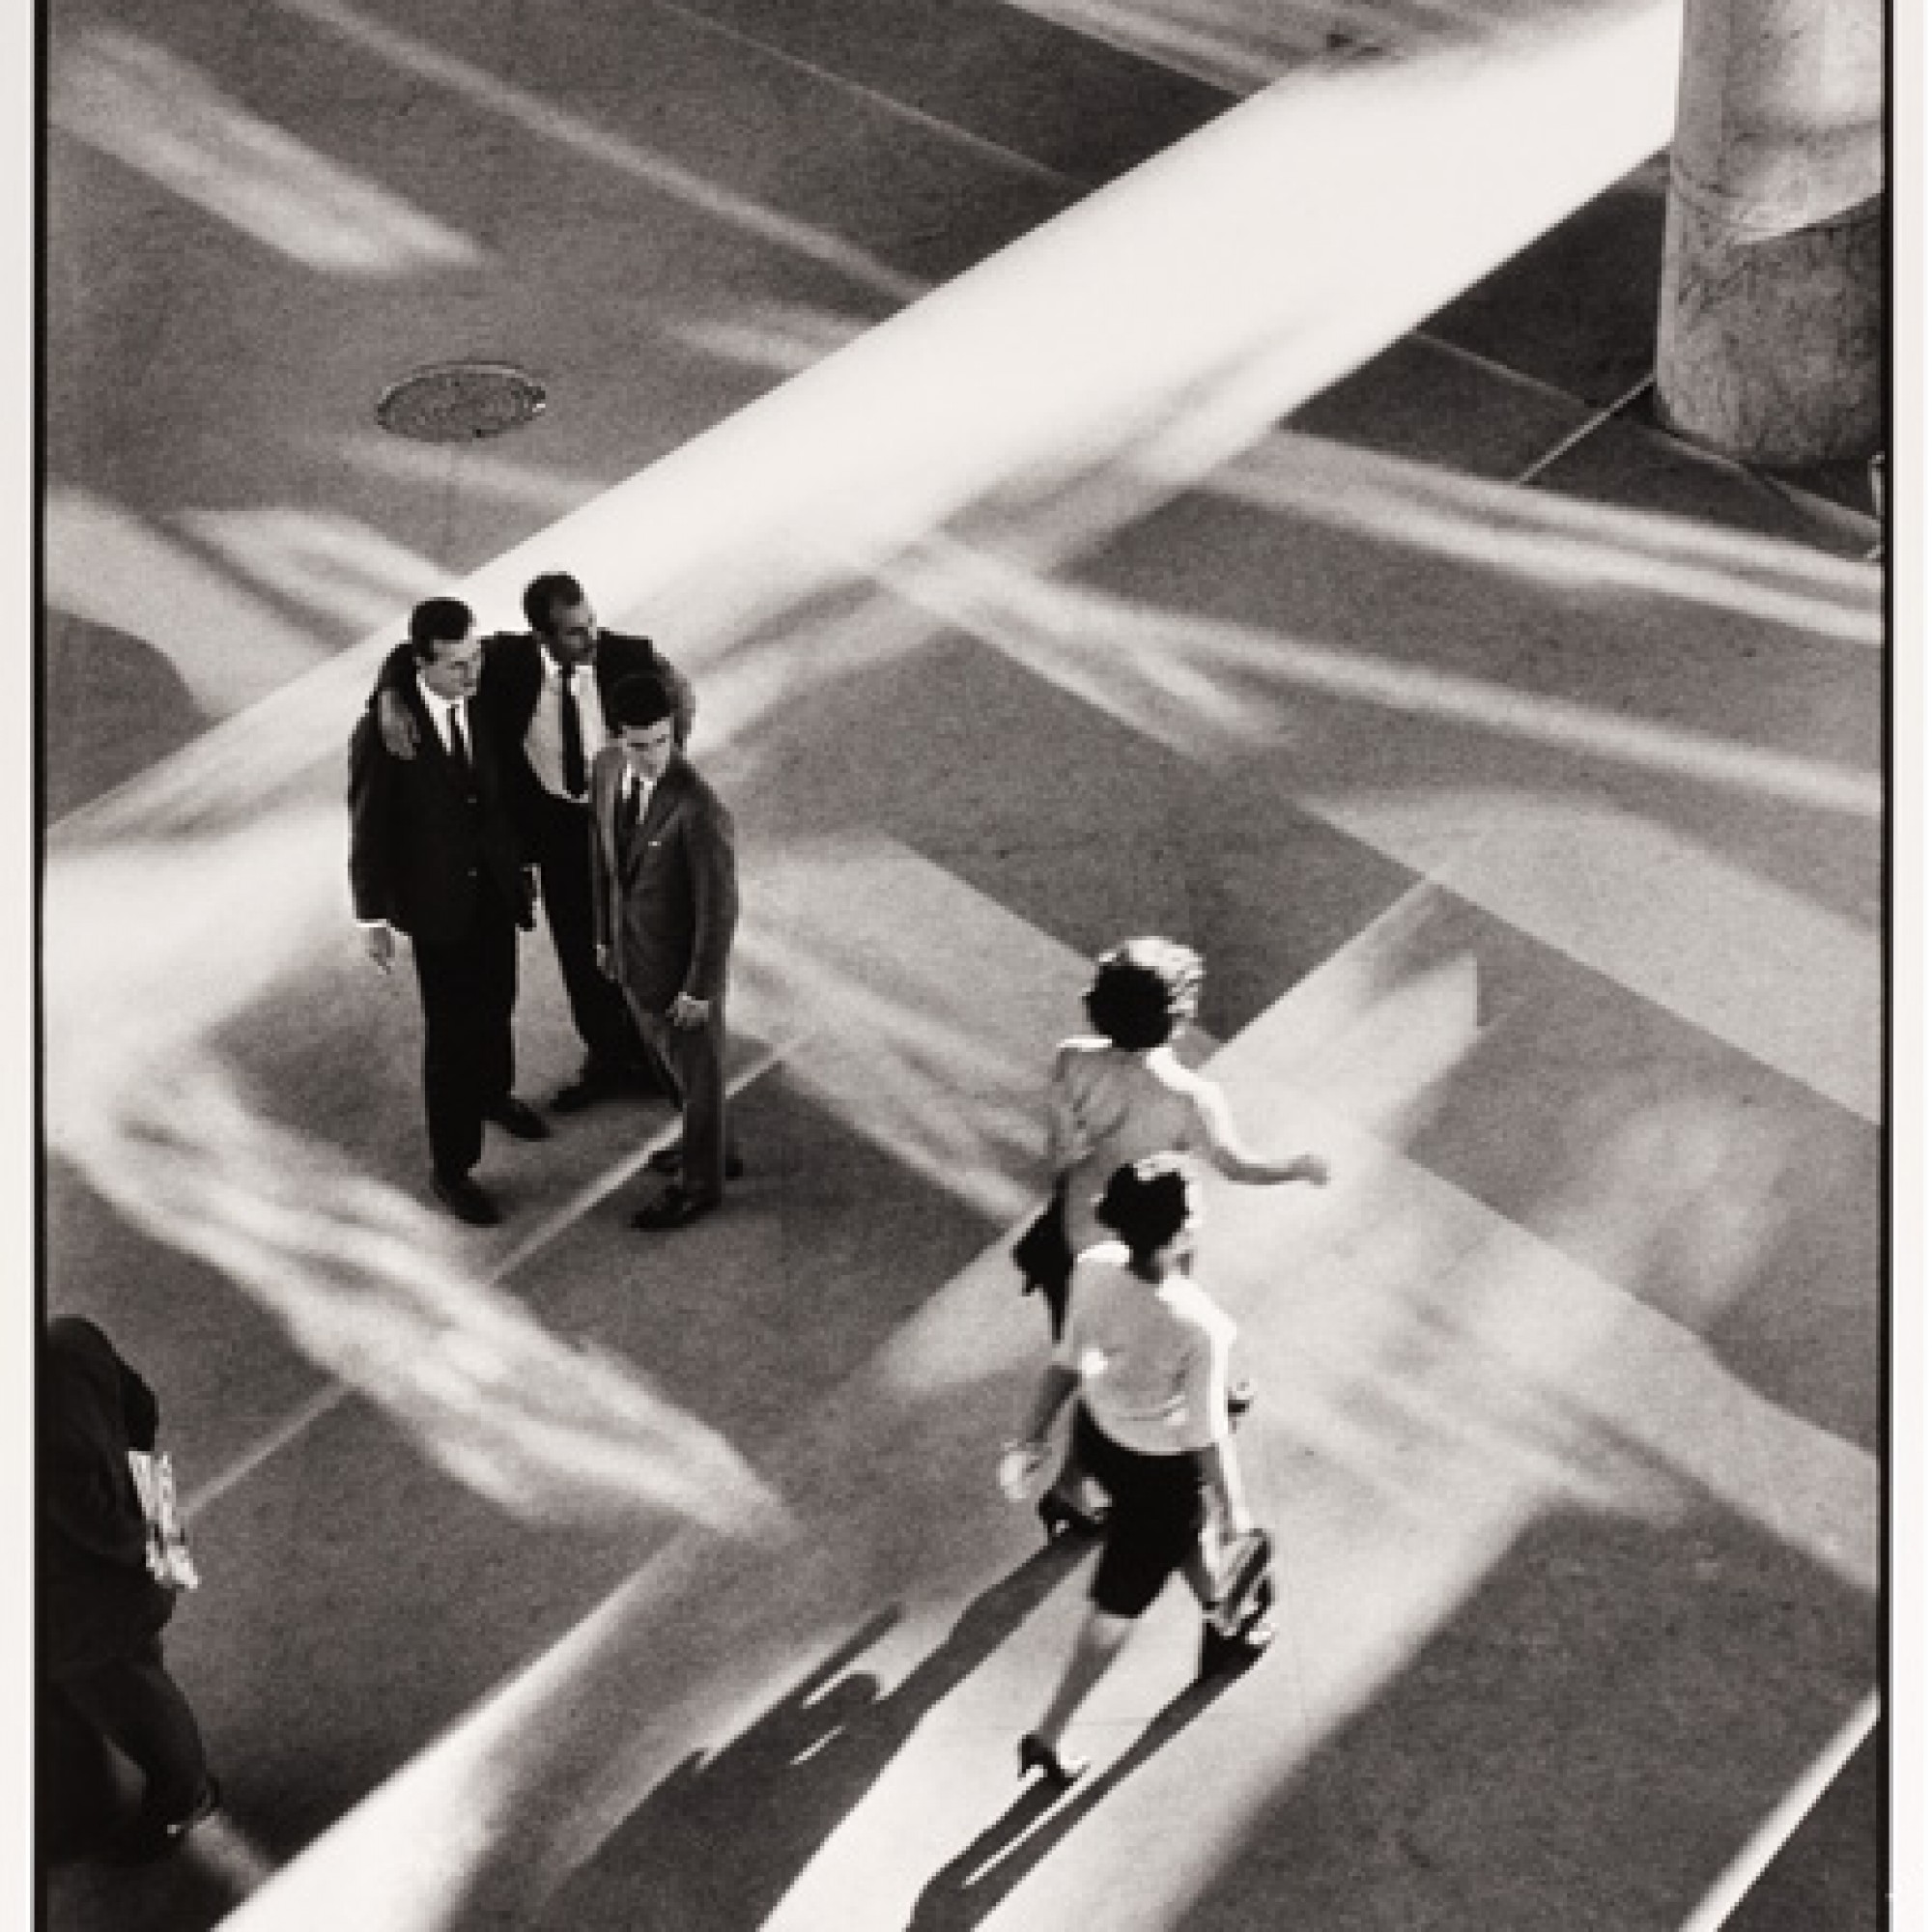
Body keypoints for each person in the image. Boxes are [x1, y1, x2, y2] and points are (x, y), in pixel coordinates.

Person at [1030, 937, 1328, 1529]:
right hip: (1157, 1234)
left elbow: (1061, 1150)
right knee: (1147, 1345)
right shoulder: (1191, 1098)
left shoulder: (1071, 1059)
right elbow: (1238, 1166)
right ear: (1179, 1016)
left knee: (1102, 1345)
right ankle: (1073, 1480)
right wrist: (1297, 1167)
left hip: (1086, 1226)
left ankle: (1092, 1463)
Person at [373, 572, 696, 1113]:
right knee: (580, 951)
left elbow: (680, 701)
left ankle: (672, 1065)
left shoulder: (631, 657)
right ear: (541, 636)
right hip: (559, 830)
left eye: (590, 623)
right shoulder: (505, 662)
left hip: (623, 823)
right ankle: (609, 1059)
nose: (590, 638)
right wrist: (389, 695)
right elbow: (411, 653)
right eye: (573, 632)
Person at [1006, 1158, 1270, 1792]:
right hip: (1159, 1470)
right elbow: (1206, 1430)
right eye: (1197, 1212)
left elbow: (1067, 1364)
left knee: (1181, 1532)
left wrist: (1030, 1438)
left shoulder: (1093, 1268)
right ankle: (1048, 1737)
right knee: (1116, 1611)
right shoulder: (1195, 1324)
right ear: (1178, 1235)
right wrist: (1240, 1513)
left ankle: (1224, 1619)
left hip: (1099, 1438)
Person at [351, 596, 545, 1226]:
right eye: (457, 666)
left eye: (474, 657)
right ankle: (452, 1168)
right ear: (422, 664)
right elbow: (368, 829)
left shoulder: (481, 688)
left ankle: (495, 1094)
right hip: (437, 907)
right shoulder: (385, 733)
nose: (473, 674)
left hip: (493, 886)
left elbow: (535, 642)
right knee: (451, 1035)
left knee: (500, 999)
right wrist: (371, 917)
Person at [43, 1317, 220, 1861]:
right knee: (112, 1685)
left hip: (86, 1611)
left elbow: (100, 1527)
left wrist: (145, 1555)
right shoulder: (71, 1337)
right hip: (127, 1563)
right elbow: (142, 1412)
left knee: (133, 1699)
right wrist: (163, 1533)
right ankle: (80, 1813)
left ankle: (184, 1796)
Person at [591, 671, 741, 1231]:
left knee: (697, 1077)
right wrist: (606, 937)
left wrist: (699, 989)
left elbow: (718, 909)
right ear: (616, 737)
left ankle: (700, 1184)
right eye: (639, 745)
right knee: (674, 1072)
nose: (653, 756)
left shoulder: (698, 809)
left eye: (662, 741)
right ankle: (711, 1147)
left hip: (681, 977)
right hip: (635, 959)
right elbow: (603, 864)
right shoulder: (606, 770)